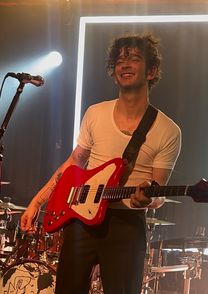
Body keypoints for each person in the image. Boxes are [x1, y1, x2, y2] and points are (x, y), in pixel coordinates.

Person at [21, 33, 181, 294]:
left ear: (151, 71)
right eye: (119, 60)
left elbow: (159, 191)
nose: (124, 65)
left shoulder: (167, 130)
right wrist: (37, 202)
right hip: (82, 220)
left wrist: (148, 199)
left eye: (134, 59)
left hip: (127, 224)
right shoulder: (95, 113)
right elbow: (74, 163)